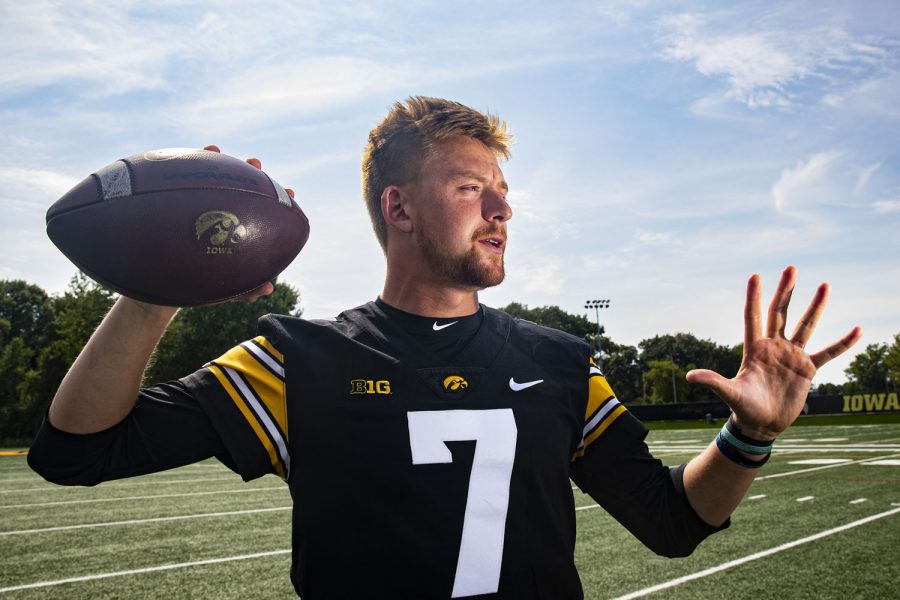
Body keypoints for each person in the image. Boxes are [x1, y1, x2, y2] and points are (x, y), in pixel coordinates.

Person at [28, 97, 861, 599]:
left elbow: (675, 525)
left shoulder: (564, 362)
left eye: (503, 195)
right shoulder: (294, 360)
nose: (500, 211)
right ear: (399, 207)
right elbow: (76, 450)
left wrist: (749, 439)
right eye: (471, 190)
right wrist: (155, 287)